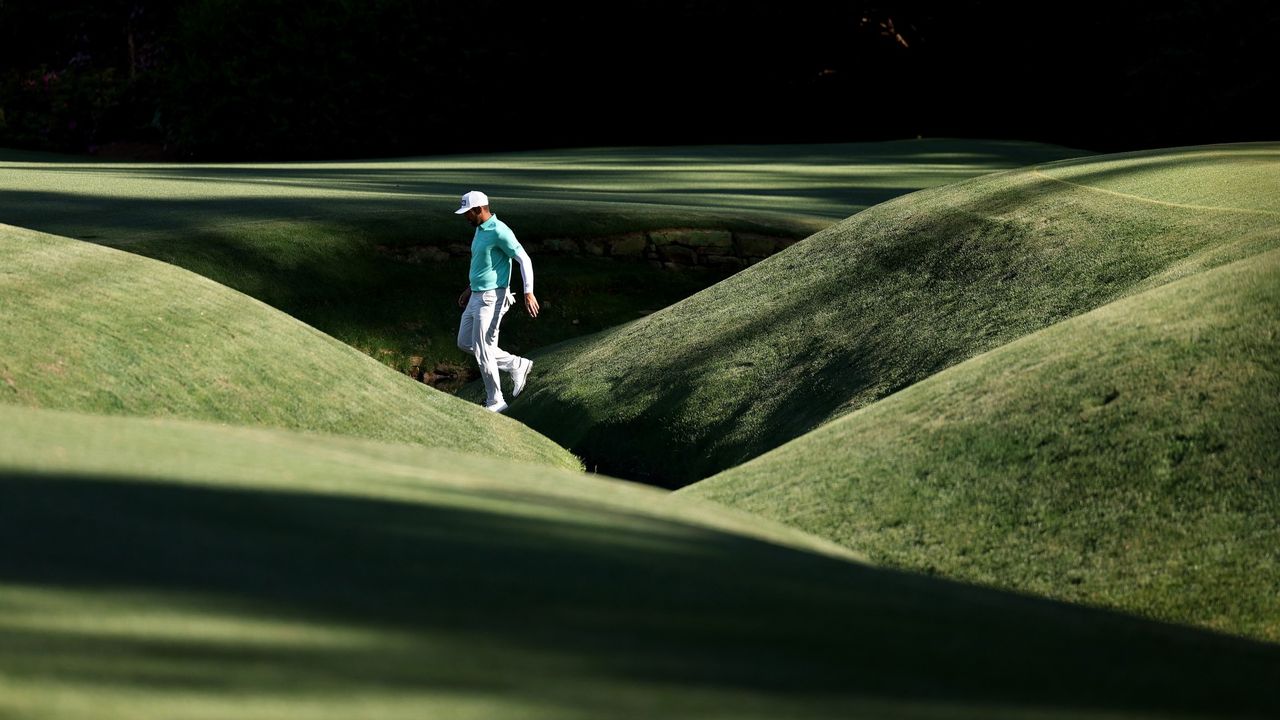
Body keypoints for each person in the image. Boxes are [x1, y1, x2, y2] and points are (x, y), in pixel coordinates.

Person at [454, 190, 539, 413]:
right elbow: (484, 265)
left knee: (483, 349)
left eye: (468, 213)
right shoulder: (480, 230)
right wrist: (469, 289)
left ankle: (496, 401)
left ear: (479, 210)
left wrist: (528, 292)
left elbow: (524, 259)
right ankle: (516, 364)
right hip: (476, 295)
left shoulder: (500, 231)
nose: (466, 217)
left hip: (493, 298)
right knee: (464, 342)